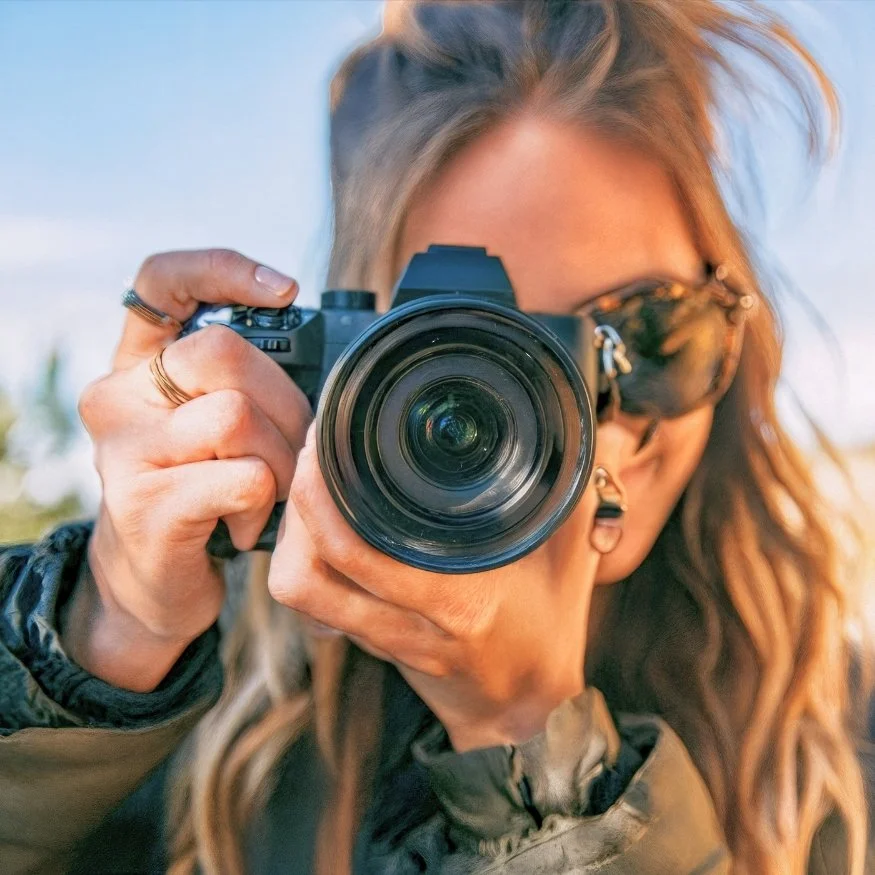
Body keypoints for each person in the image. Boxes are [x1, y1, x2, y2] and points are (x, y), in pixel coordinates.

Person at [0, 1, 872, 873]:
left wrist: (533, 740)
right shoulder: (206, 689)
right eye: (477, 354)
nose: (579, 414)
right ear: (345, 363)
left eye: (645, 335)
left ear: (731, 332)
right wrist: (101, 643)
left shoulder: (843, 745)